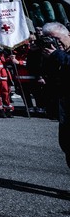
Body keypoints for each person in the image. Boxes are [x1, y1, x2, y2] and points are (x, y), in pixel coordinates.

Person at [40, 22, 70, 167]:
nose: (55, 43)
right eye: (50, 39)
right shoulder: (52, 54)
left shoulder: (60, 54)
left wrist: (58, 55)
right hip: (63, 108)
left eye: (57, 39)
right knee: (66, 145)